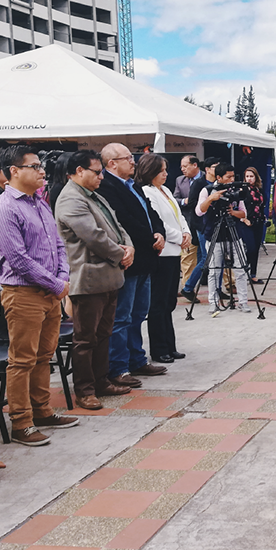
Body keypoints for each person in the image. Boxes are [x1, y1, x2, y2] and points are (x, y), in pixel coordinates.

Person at [0, 145, 78, 446]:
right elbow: (18, 259)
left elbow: (59, 245)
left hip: (51, 290)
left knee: (43, 356)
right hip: (23, 292)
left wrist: (62, 278)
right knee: (22, 360)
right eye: (35, 166)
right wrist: (56, 285)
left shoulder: (39, 202)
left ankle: (42, 411)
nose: (42, 171)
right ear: (14, 171)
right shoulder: (4, 207)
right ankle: (21, 422)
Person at [54, 151, 135, 410]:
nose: (101, 176)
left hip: (109, 276)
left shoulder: (94, 196)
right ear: (79, 171)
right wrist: (120, 254)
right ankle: (85, 389)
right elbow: (94, 236)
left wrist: (129, 247)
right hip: (88, 278)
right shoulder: (70, 199)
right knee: (85, 339)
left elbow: (117, 226)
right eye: (96, 172)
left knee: (103, 335)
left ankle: (102, 381)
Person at [96, 143, 167, 388]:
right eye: (128, 158)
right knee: (122, 317)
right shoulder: (106, 186)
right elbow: (123, 220)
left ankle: (137, 358)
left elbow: (150, 212)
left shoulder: (133, 185)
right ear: (112, 163)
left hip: (146, 258)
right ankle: (119, 367)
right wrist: (150, 239)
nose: (133, 162)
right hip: (129, 258)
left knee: (139, 314)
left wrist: (159, 232)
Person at [138, 154, 191, 362]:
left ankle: (170, 344)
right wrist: (179, 237)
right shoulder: (146, 192)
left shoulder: (166, 190)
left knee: (169, 301)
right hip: (164, 251)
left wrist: (186, 233)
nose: (166, 174)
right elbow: (158, 222)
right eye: (161, 171)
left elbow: (179, 216)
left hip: (175, 251)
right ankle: (159, 348)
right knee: (158, 302)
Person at [196, 163, 251, 315]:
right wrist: (211, 199)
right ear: (219, 177)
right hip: (214, 234)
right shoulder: (207, 190)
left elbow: (244, 214)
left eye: (233, 176)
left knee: (240, 270)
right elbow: (199, 211)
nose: (231, 180)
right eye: (228, 177)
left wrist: (233, 212)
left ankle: (243, 301)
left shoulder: (235, 191)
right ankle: (213, 303)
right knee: (214, 271)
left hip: (234, 234)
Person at [181, 157, 219, 302]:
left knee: (217, 258)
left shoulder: (217, 183)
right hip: (202, 225)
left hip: (215, 224)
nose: (217, 169)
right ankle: (188, 287)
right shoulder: (199, 184)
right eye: (215, 167)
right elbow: (191, 204)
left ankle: (218, 288)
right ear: (207, 169)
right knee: (206, 258)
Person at [174, 155, 201, 293]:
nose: (182, 169)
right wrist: (185, 201)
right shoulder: (180, 180)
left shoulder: (204, 179)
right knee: (188, 257)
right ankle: (187, 287)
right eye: (181, 167)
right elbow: (175, 199)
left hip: (203, 221)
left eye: (185, 166)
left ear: (195, 165)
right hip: (187, 222)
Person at [240, 166, 267, 284]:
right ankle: (243, 271)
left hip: (258, 221)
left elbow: (261, 205)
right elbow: (239, 206)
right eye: (247, 176)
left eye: (251, 176)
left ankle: (253, 274)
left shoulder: (258, 190)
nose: (249, 179)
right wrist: (244, 219)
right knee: (250, 248)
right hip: (247, 221)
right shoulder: (243, 190)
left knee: (256, 248)